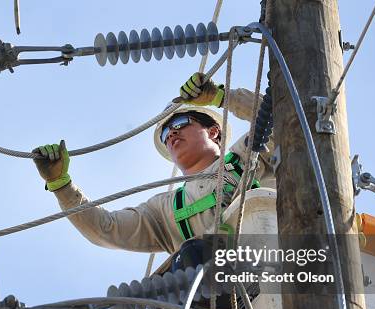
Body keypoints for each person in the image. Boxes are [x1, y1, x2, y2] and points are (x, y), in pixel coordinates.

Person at [33, 73, 274, 254]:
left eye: (179, 124)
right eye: (165, 133)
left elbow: (283, 114)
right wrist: (61, 186)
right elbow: (104, 229)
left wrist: (222, 97)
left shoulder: (251, 152)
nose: (170, 134)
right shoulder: (164, 210)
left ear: (213, 132)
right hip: (230, 305)